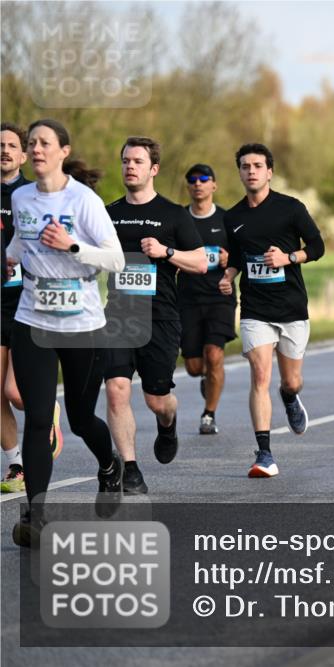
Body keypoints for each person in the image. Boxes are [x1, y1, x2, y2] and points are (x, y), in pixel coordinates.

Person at [6, 119, 126, 546]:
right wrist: (8, 257)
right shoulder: (21, 196)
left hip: (81, 323)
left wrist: (73, 246)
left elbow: (115, 260)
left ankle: (110, 466)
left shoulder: (84, 200)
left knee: (78, 417)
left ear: (62, 151)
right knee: (38, 418)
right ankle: (36, 516)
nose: (35, 148)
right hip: (32, 317)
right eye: (30, 143)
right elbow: (21, 243)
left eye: (43, 143)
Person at [104, 137, 207, 494]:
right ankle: (130, 468)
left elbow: (202, 261)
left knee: (155, 399)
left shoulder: (173, 214)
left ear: (154, 169)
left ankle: (168, 421)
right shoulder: (109, 213)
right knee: (117, 390)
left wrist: (166, 251)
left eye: (137, 161)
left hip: (160, 317)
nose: (130, 167)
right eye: (125, 161)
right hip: (118, 316)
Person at [219, 143, 325, 478]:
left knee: (290, 381)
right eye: (245, 166)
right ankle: (264, 454)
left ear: (269, 172)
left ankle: (290, 397)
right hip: (254, 308)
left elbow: (318, 247)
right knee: (260, 374)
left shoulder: (291, 208)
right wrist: (229, 274)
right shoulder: (232, 216)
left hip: (291, 307)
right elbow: (236, 255)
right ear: (239, 172)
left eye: (257, 166)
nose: (251, 171)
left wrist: (289, 257)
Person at [1, 123, 65, 494]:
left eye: (12, 145)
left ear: (24, 155)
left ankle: (46, 411)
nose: (5, 150)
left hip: (30, 300)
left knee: (16, 393)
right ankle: (16, 464)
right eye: (0, 145)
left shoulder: (33, 195)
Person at [178, 164, 235, 435]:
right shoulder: (179, 219)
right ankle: (206, 378)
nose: (198, 183)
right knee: (193, 366)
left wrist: (229, 260)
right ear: (188, 186)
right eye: (192, 180)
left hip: (219, 296)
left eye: (204, 179)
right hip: (187, 298)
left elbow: (242, 255)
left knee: (214, 354)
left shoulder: (227, 219)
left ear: (214, 185)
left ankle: (209, 414)